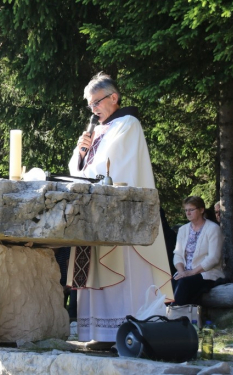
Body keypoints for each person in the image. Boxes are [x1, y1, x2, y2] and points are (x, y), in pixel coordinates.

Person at [67, 72, 173, 349]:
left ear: (114, 98)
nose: (93, 109)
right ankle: (101, 335)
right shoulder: (99, 129)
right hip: (95, 210)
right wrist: (80, 152)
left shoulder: (128, 124)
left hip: (121, 215)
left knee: (122, 267)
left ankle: (125, 331)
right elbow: (80, 170)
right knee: (97, 269)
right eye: (90, 105)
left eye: (97, 102)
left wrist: (87, 168)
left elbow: (111, 166)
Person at [172, 196, 224, 305]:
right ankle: (162, 315)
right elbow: (178, 254)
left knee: (184, 284)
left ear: (201, 210)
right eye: (186, 210)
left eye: (191, 210)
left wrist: (191, 272)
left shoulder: (213, 228)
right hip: (185, 273)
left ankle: (174, 316)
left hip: (207, 274)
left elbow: (213, 258)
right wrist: (182, 272)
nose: (188, 213)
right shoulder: (183, 230)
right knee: (169, 282)